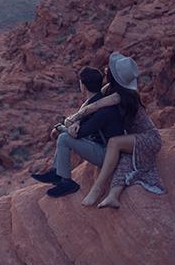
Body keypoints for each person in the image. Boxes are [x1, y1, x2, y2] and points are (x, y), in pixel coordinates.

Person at [66, 52, 164, 208]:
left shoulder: (120, 96)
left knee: (114, 143)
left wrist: (73, 119)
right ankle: (113, 196)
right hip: (133, 138)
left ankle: (97, 189)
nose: (105, 69)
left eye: (109, 69)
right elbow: (88, 105)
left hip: (148, 138)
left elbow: (94, 106)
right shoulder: (110, 89)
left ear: (113, 75)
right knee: (123, 162)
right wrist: (77, 121)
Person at [31, 66, 125, 198]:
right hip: (103, 146)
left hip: (107, 155)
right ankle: (57, 173)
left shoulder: (102, 109)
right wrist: (72, 124)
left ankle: (66, 182)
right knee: (64, 136)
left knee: (64, 138)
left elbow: (79, 133)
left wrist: (60, 128)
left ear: (83, 85)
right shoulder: (97, 100)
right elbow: (82, 123)